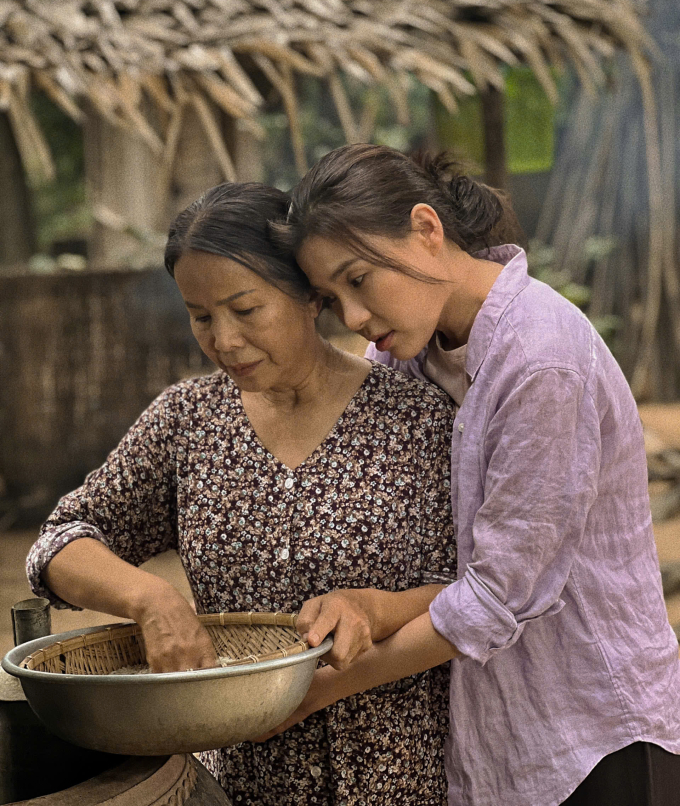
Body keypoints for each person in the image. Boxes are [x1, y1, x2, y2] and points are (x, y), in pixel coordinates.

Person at [270, 143, 680, 806]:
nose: (352, 317)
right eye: (330, 297)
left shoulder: (540, 357)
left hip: (593, 738)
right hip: (498, 745)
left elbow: (494, 597)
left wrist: (324, 688)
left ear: (428, 231)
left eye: (359, 278)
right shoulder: (409, 358)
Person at [26, 182, 459, 806]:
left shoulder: (418, 417)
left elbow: (482, 592)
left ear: (309, 294)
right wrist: (152, 600)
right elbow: (59, 544)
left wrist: (376, 608)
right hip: (239, 783)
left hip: (404, 775)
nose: (223, 339)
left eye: (245, 309)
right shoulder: (187, 421)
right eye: (201, 316)